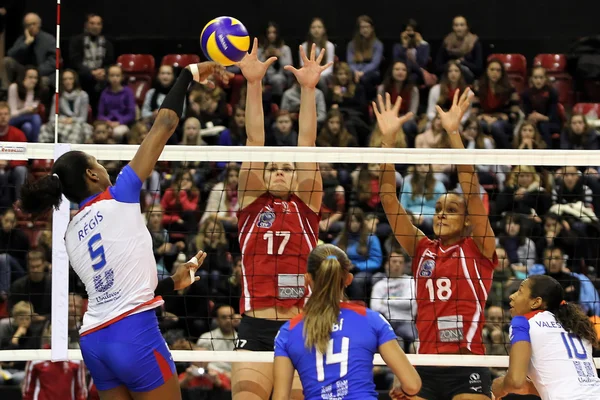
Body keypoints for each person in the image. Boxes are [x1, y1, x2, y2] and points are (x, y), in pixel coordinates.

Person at [18, 61, 232, 400]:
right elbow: (165, 124)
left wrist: (172, 283)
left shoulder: (71, 234)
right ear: (92, 174)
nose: (104, 167)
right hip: (134, 337)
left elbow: (117, 293)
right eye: (98, 162)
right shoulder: (121, 193)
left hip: (95, 342)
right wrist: (187, 74)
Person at [374, 88, 497, 400]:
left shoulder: (479, 246)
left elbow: (471, 191)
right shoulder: (422, 248)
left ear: (468, 219)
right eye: (439, 209)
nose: (441, 214)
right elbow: (388, 200)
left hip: (466, 363)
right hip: (425, 364)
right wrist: (387, 141)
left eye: (451, 210)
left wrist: (453, 132)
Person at [231, 39, 329, 400]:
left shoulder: (306, 205)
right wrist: (254, 85)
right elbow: (254, 140)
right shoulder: (251, 203)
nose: (279, 171)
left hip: (299, 325)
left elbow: (307, 143)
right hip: (255, 324)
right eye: (273, 167)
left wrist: (308, 90)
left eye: (287, 168)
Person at [272, 244, 421, 400]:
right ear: (349, 279)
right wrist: (401, 389)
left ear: (307, 279)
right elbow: (412, 385)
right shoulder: (371, 319)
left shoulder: (288, 331)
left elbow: (280, 397)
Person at [492, 275, 600, 399]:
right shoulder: (576, 325)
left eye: (520, 291)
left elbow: (515, 382)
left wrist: (501, 386)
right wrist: (527, 386)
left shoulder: (522, 322)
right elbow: (568, 385)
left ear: (536, 302)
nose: (512, 296)